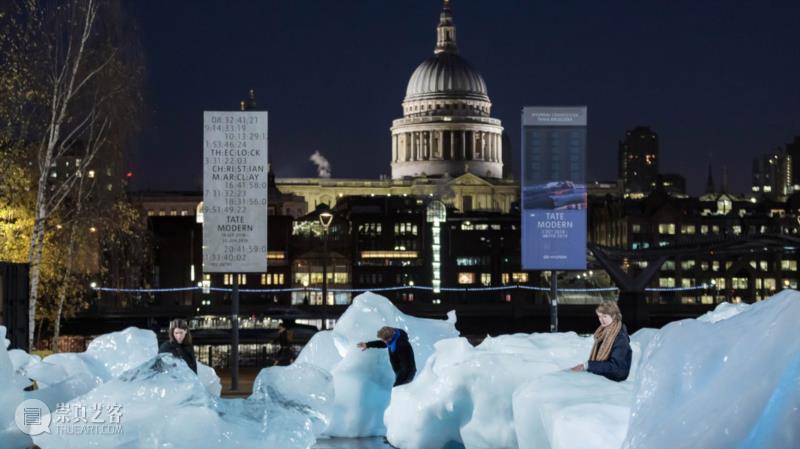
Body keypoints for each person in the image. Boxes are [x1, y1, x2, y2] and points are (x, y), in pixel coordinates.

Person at [570, 300, 632, 381]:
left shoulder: (620, 338)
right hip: (603, 379)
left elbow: (617, 369)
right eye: (599, 316)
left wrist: (588, 366)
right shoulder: (603, 334)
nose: (601, 320)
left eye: (605, 316)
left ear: (613, 316)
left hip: (614, 384)